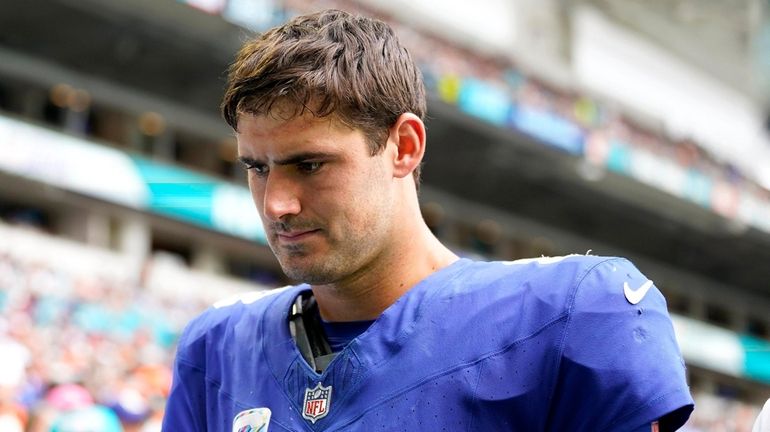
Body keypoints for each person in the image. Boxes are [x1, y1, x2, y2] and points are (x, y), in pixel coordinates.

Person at [162, 9, 694, 431]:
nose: (277, 203)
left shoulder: (571, 315)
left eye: (310, 165)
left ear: (404, 147)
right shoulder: (216, 351)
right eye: (257, 168)